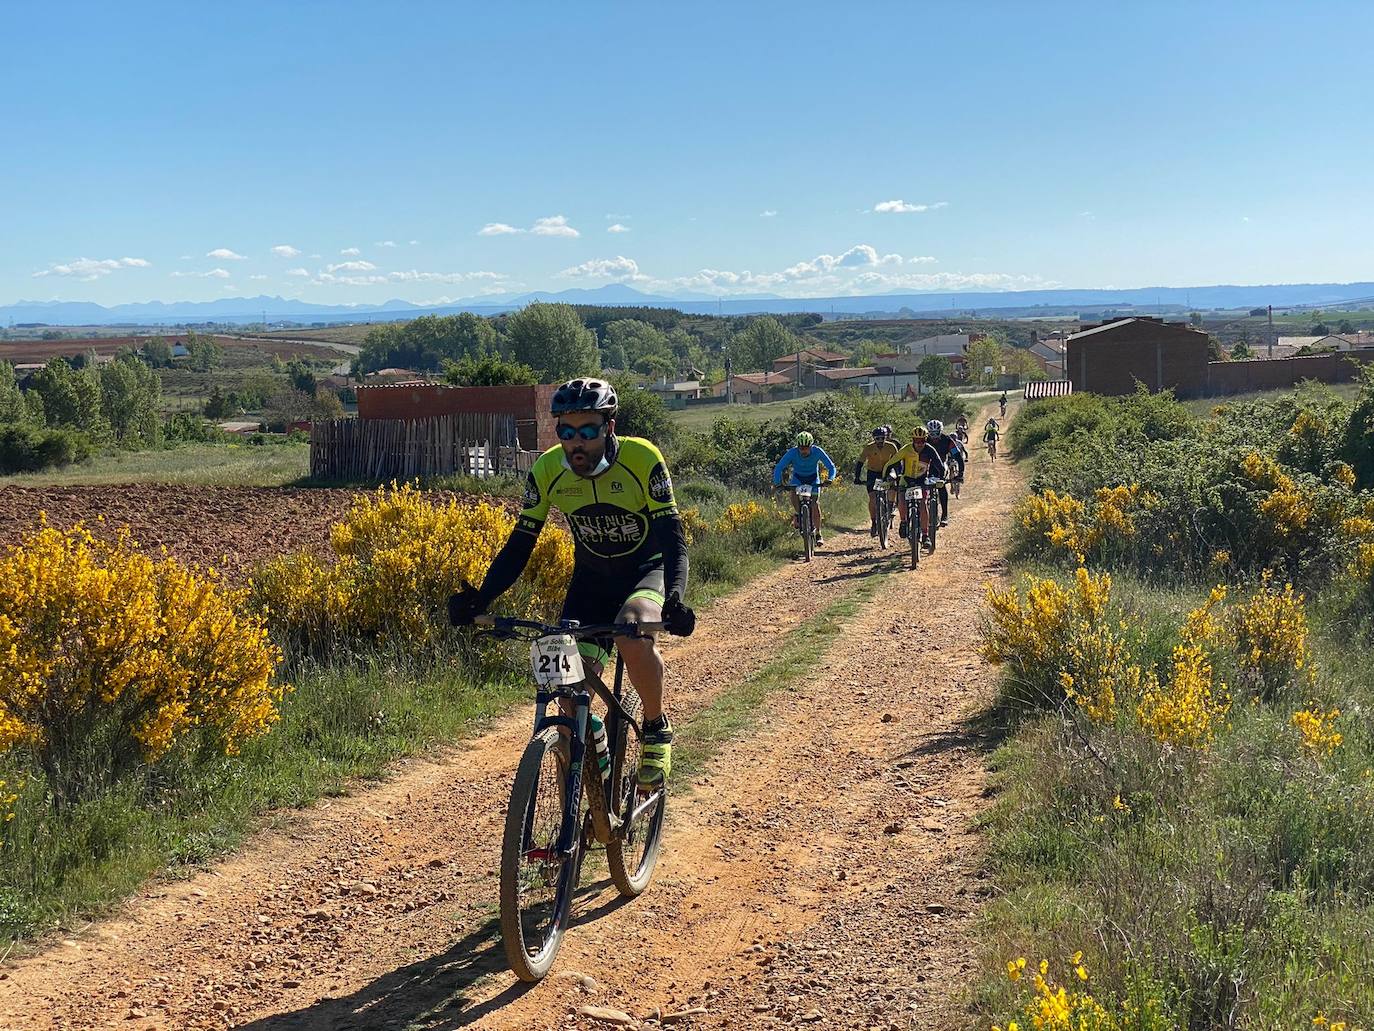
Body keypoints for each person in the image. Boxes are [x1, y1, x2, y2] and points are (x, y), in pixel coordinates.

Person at [447, 378, 694, 790]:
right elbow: (519, 545)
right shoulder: (547, 470)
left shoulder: (641, 458)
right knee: (567, 704)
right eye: (566, 431)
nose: (576, 442)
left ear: (609, 428)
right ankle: (571, 836)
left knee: (634, 632)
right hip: (591, 581)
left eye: (587, 430)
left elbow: (672, 537)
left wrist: (674, 598)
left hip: (646, 571)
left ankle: (655, 727)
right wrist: (481, 597)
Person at [884, 425, 946, 546]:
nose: (919, 444)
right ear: (912, 440)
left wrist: (941, 479)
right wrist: (886, 477)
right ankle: (903, 522)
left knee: (922, 504)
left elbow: (940, 465)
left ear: (925, 440)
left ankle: (925, 535)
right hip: (906, 479)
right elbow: (891, 463)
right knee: (901, 499)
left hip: (922, 480)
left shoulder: (929, 449)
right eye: (917, 441)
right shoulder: (906, 449)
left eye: (922, 441)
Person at [774, 431, 837, 547]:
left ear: (811, 446)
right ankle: (799, 514)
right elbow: (779, 467)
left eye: (806, 448)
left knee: (814, 503)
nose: (803, 451)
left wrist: (830, 479)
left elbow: (831, 466)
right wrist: (778, 483)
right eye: (801, 448)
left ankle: (818, 533)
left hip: (813, 479)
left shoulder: (817, 451)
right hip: (798, 478)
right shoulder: (792, 453)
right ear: (797, 446)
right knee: (793, 492)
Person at [854, 425, 899, 537]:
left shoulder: (891, 446)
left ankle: (890, 505)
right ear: (874, 439)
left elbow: (898, 462)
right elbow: (860, 463)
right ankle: (874, 522)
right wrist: (857, 478)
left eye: (882, 438)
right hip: (873, 473)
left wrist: (897, 474)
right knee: (873, 498)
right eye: (877, 439)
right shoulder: (869, 447)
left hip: (887, 471)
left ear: (886, 437)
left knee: (893, 483)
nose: (880, 441)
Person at [924, 419, 965, 527]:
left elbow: (958, 457)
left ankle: (944, 515)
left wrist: (960, 473)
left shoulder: (947, 440)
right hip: (927, 466)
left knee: (941, 486)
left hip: (942, 466)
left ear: (941, 431)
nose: (934, 436)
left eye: (936, 433)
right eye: (931, 434)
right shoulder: (925, 440)